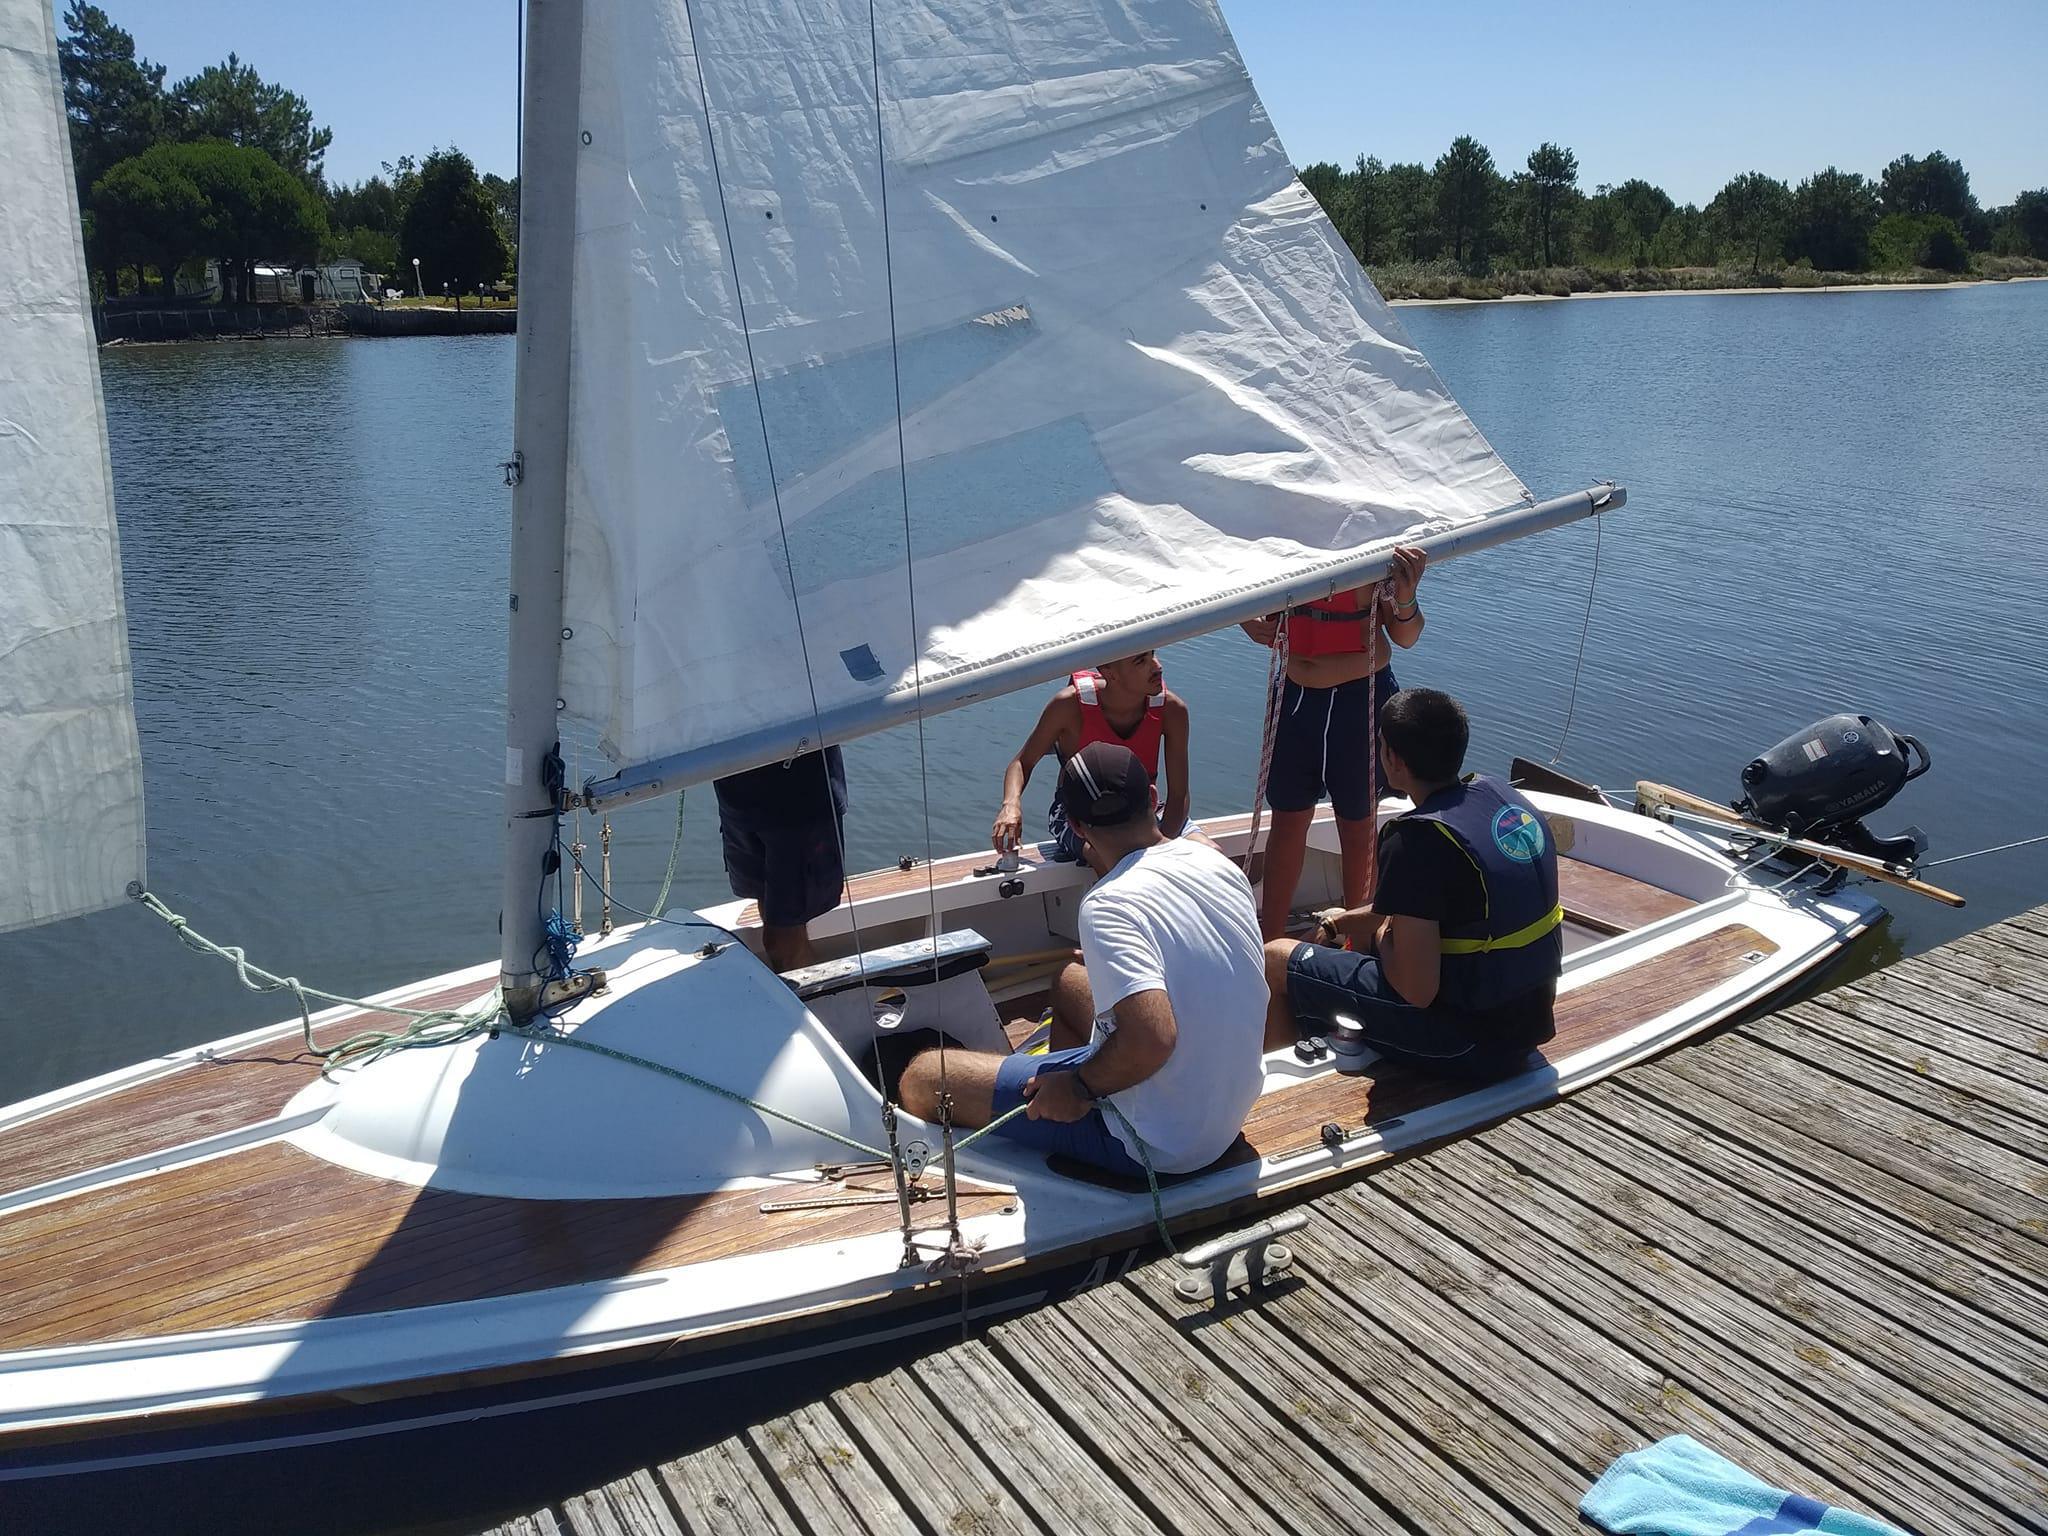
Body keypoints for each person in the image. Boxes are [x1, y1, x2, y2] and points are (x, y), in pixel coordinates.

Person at [905, 741, 1267, 1176]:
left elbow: (1153, 1037)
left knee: (925, 1077)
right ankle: (1062, 1112)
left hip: (1156, 1146)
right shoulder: (1217, 863)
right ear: (1153, 800)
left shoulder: (1109, 905)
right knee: (1070, 979)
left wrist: (1076, 1086)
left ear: (1077, 827)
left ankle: (1075, 1113)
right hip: (1223, 1120)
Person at [1261, 688, 1562, 1081]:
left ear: (1393, 760)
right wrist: (1340, 924)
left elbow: (1416, 989)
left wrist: (1387, 933)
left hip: (1464, 1046)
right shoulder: (1499, 799)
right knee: (1358, 946)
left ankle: (1284, 1086)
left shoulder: (1415, 841)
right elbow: (1423, 907)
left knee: (1278, 958)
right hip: (1524, 1030)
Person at [1240, 545, 1429, 939]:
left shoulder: (1375, 550)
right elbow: (1236, 588)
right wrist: (1248, 619)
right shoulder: (1281, 544)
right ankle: (1270, 945)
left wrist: (1408, 595)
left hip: (1360, 700)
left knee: (1358, 824)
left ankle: (1359, 944)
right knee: (1288, 821)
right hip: (1295, 697)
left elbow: (1407, 635)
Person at [991, 651, 1190, 863]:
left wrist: (1166, 844)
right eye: (1140, 661)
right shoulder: (1068, 706)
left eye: (1153, 655)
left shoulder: (1172, 709)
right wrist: (1011, 805)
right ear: (1109, 672)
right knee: (1106, 858)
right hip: (1079, 816)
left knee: (1208, 848)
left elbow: (1179, 796)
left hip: (1144, 810)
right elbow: (1022, 762)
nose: (1157, 666)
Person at [713, 747, 847, 973]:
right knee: (767, 910)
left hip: (797, 798)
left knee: (781, 940)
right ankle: (802, 998)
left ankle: (809, 1001)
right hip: (735, 789)